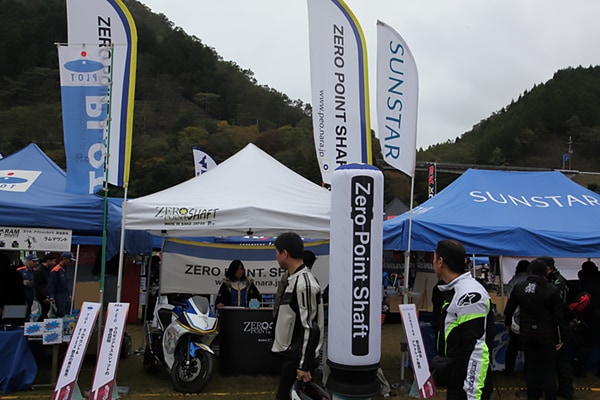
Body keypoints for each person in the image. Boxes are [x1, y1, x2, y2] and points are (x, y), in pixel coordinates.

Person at [429, 239, 494, 400]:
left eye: (434, 258)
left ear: (440, 262)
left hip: (469, 385)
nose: (433, 263)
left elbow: (477, 349)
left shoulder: (469, 294)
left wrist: (472, 394)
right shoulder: (455, 289)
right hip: (458, 377)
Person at [271, 232, 324, 400]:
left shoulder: (304, 283)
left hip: (297, 359)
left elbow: (310, 328)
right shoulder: (294, 279)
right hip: (292, 356)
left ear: (285, 253)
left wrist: (303, 366)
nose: (276, 257)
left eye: (276, 253)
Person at [504, 259, 565, 400]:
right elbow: (559, 317)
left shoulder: (520, 287)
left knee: (531, 367)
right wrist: (561, 338)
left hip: (527, 332)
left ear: (530, 271)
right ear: (545, 272)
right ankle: (550, 397)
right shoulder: (552, 289)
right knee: (548, 370)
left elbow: (509, 309)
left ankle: (533, 396)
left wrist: (508, 323)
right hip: (546, 333)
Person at [538, 256, 574, 400]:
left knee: (561, 361)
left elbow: (560, 307)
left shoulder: (558, 281)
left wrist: (560, 333)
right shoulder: (549, 280)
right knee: (552, 361)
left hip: (559, 326)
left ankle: (566, 391)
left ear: (548, 267)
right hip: (551, 325)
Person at [572, 260, 600, 377]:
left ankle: (580, 370)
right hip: (594, 316)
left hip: (588, 318)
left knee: (584, 345)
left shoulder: (584, 283)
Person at [504, 259, 530, 375]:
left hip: (516, 317)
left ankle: (509, 370)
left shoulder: (513, 281)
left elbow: (510, 302)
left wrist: (508, 320)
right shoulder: (531, 280)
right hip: (530, 316)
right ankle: (527, 372)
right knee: (529, 347)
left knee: (513, 345)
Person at [273, 250, 317, 318]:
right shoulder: (313, 280)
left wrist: (276, 314)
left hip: (287, 315)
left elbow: (279, 297)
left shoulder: (287, 276)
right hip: (304, 316)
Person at [47, 252, 75, 317]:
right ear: (64, 259)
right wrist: (51, 296)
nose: (70, 262)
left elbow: (66, 283)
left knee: (67, 311)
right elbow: (51, 284)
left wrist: (69, 295)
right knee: (60, 312)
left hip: (65, 294)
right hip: (58, 295)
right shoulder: (56, 270)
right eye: (69, 260)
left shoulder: (64, 269)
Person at [34, 253, 56, 320]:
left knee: (46, 310)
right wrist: (44, 297)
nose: (54, 263)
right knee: (44, 310)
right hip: (41, 295)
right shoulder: (39, 270)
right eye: (53, 261)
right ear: (48, 261)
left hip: (47, 294)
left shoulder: (48, 270)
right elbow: (39, 285)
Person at [17, 254, 38, 320]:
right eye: (33, 261)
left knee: (30, 309)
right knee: (23, 309)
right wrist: (22, 282)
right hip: (23, 293)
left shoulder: (36, 271)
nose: (35, 263)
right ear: (29, 261)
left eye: (36, 261)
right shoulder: (20, 270)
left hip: (32, 293)